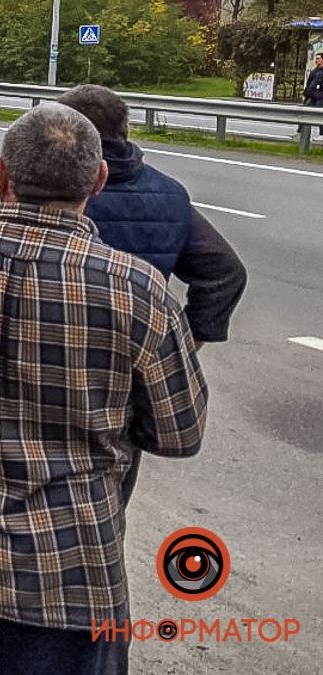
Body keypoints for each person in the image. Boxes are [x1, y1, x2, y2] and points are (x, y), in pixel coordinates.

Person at [0, 103, 207, 674]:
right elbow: (179, 432)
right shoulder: (137, 292)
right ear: (97, 181)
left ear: (1, 175)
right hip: (70, 565)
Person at [55, 84, 246, 504]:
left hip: (52, 361)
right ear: (124, 130)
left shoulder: (60, 187)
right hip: (125, 378)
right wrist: (184, 343)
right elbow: (225, 273)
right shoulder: (169, 195)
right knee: (107, 499)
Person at [304, 53, 323, 134]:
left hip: (320, 97)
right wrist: (306, 92)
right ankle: (301, 132)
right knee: (305, 114)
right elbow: (309, 82)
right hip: (311, 95)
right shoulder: (315, 70)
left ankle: (321, 134)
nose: (316, 60)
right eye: (316, 58)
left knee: (320, 116)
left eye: (318, 58)